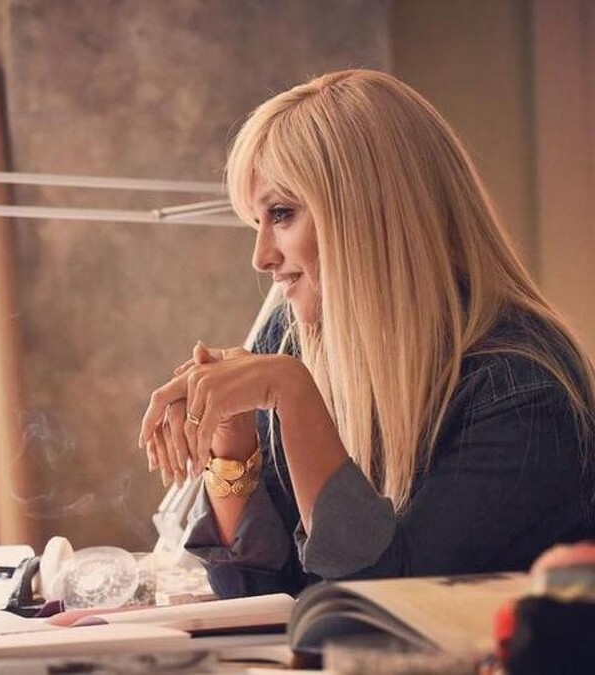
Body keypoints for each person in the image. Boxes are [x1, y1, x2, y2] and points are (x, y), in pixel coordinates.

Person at [138, 69, 595, 597]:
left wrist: (295, 396)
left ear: (368, 213)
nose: (260, 257)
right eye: (256, 222)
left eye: (281, 214)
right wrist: (233, 444)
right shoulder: (293, 340)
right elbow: (251, 595)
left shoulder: (522, 391)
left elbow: (380, 606)